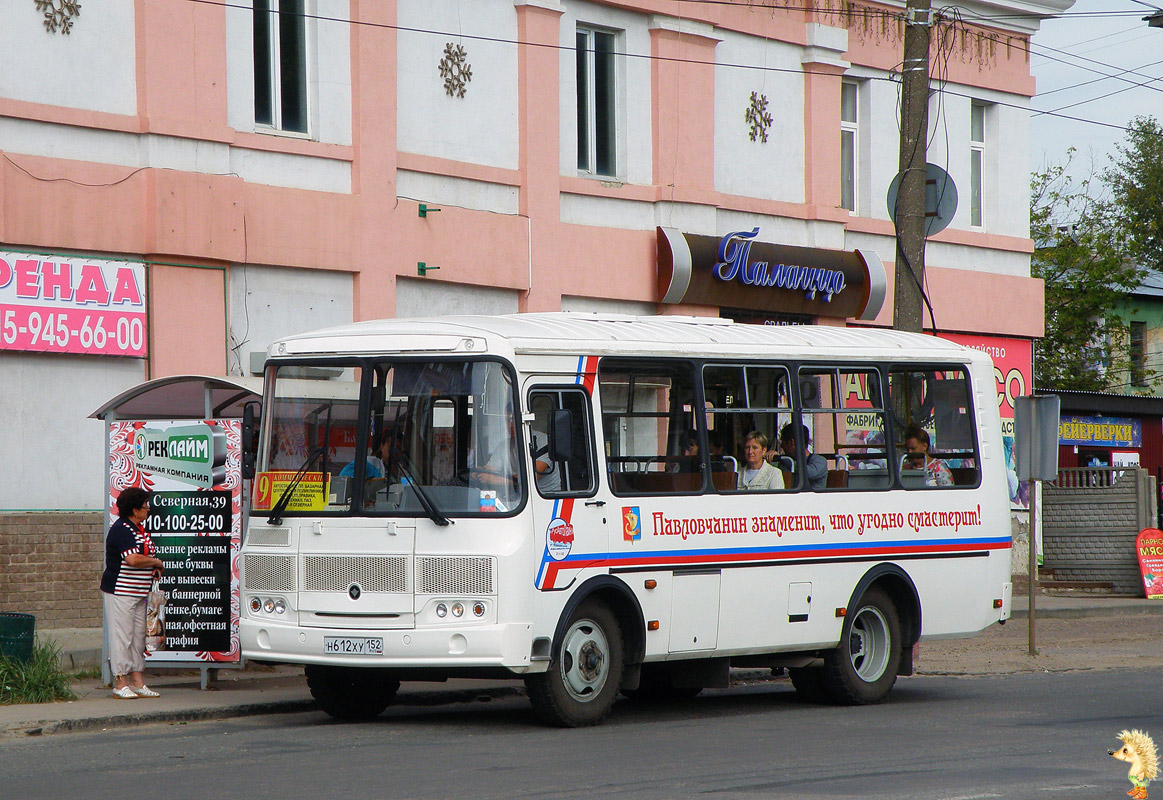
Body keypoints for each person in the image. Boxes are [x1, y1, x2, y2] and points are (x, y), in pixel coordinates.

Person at [99, 486, 164, 700]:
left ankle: (137, 681)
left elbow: (143, 557)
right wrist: (155, 561)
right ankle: (120, 681)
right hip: (121, 591)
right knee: (122, 637)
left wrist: (153, 568)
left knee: (138, 638)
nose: (148, 510)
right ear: (135, 510)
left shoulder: (139, 530)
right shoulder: (122, 529)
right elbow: (132, 559)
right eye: (146, 507)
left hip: (139, 592)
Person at [780, 422, 827, 490]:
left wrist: (786, 461)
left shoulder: (820, 461)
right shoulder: (786, 462)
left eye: (783, 442)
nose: (781, 446)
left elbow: (807, 472)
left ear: (791, 442)